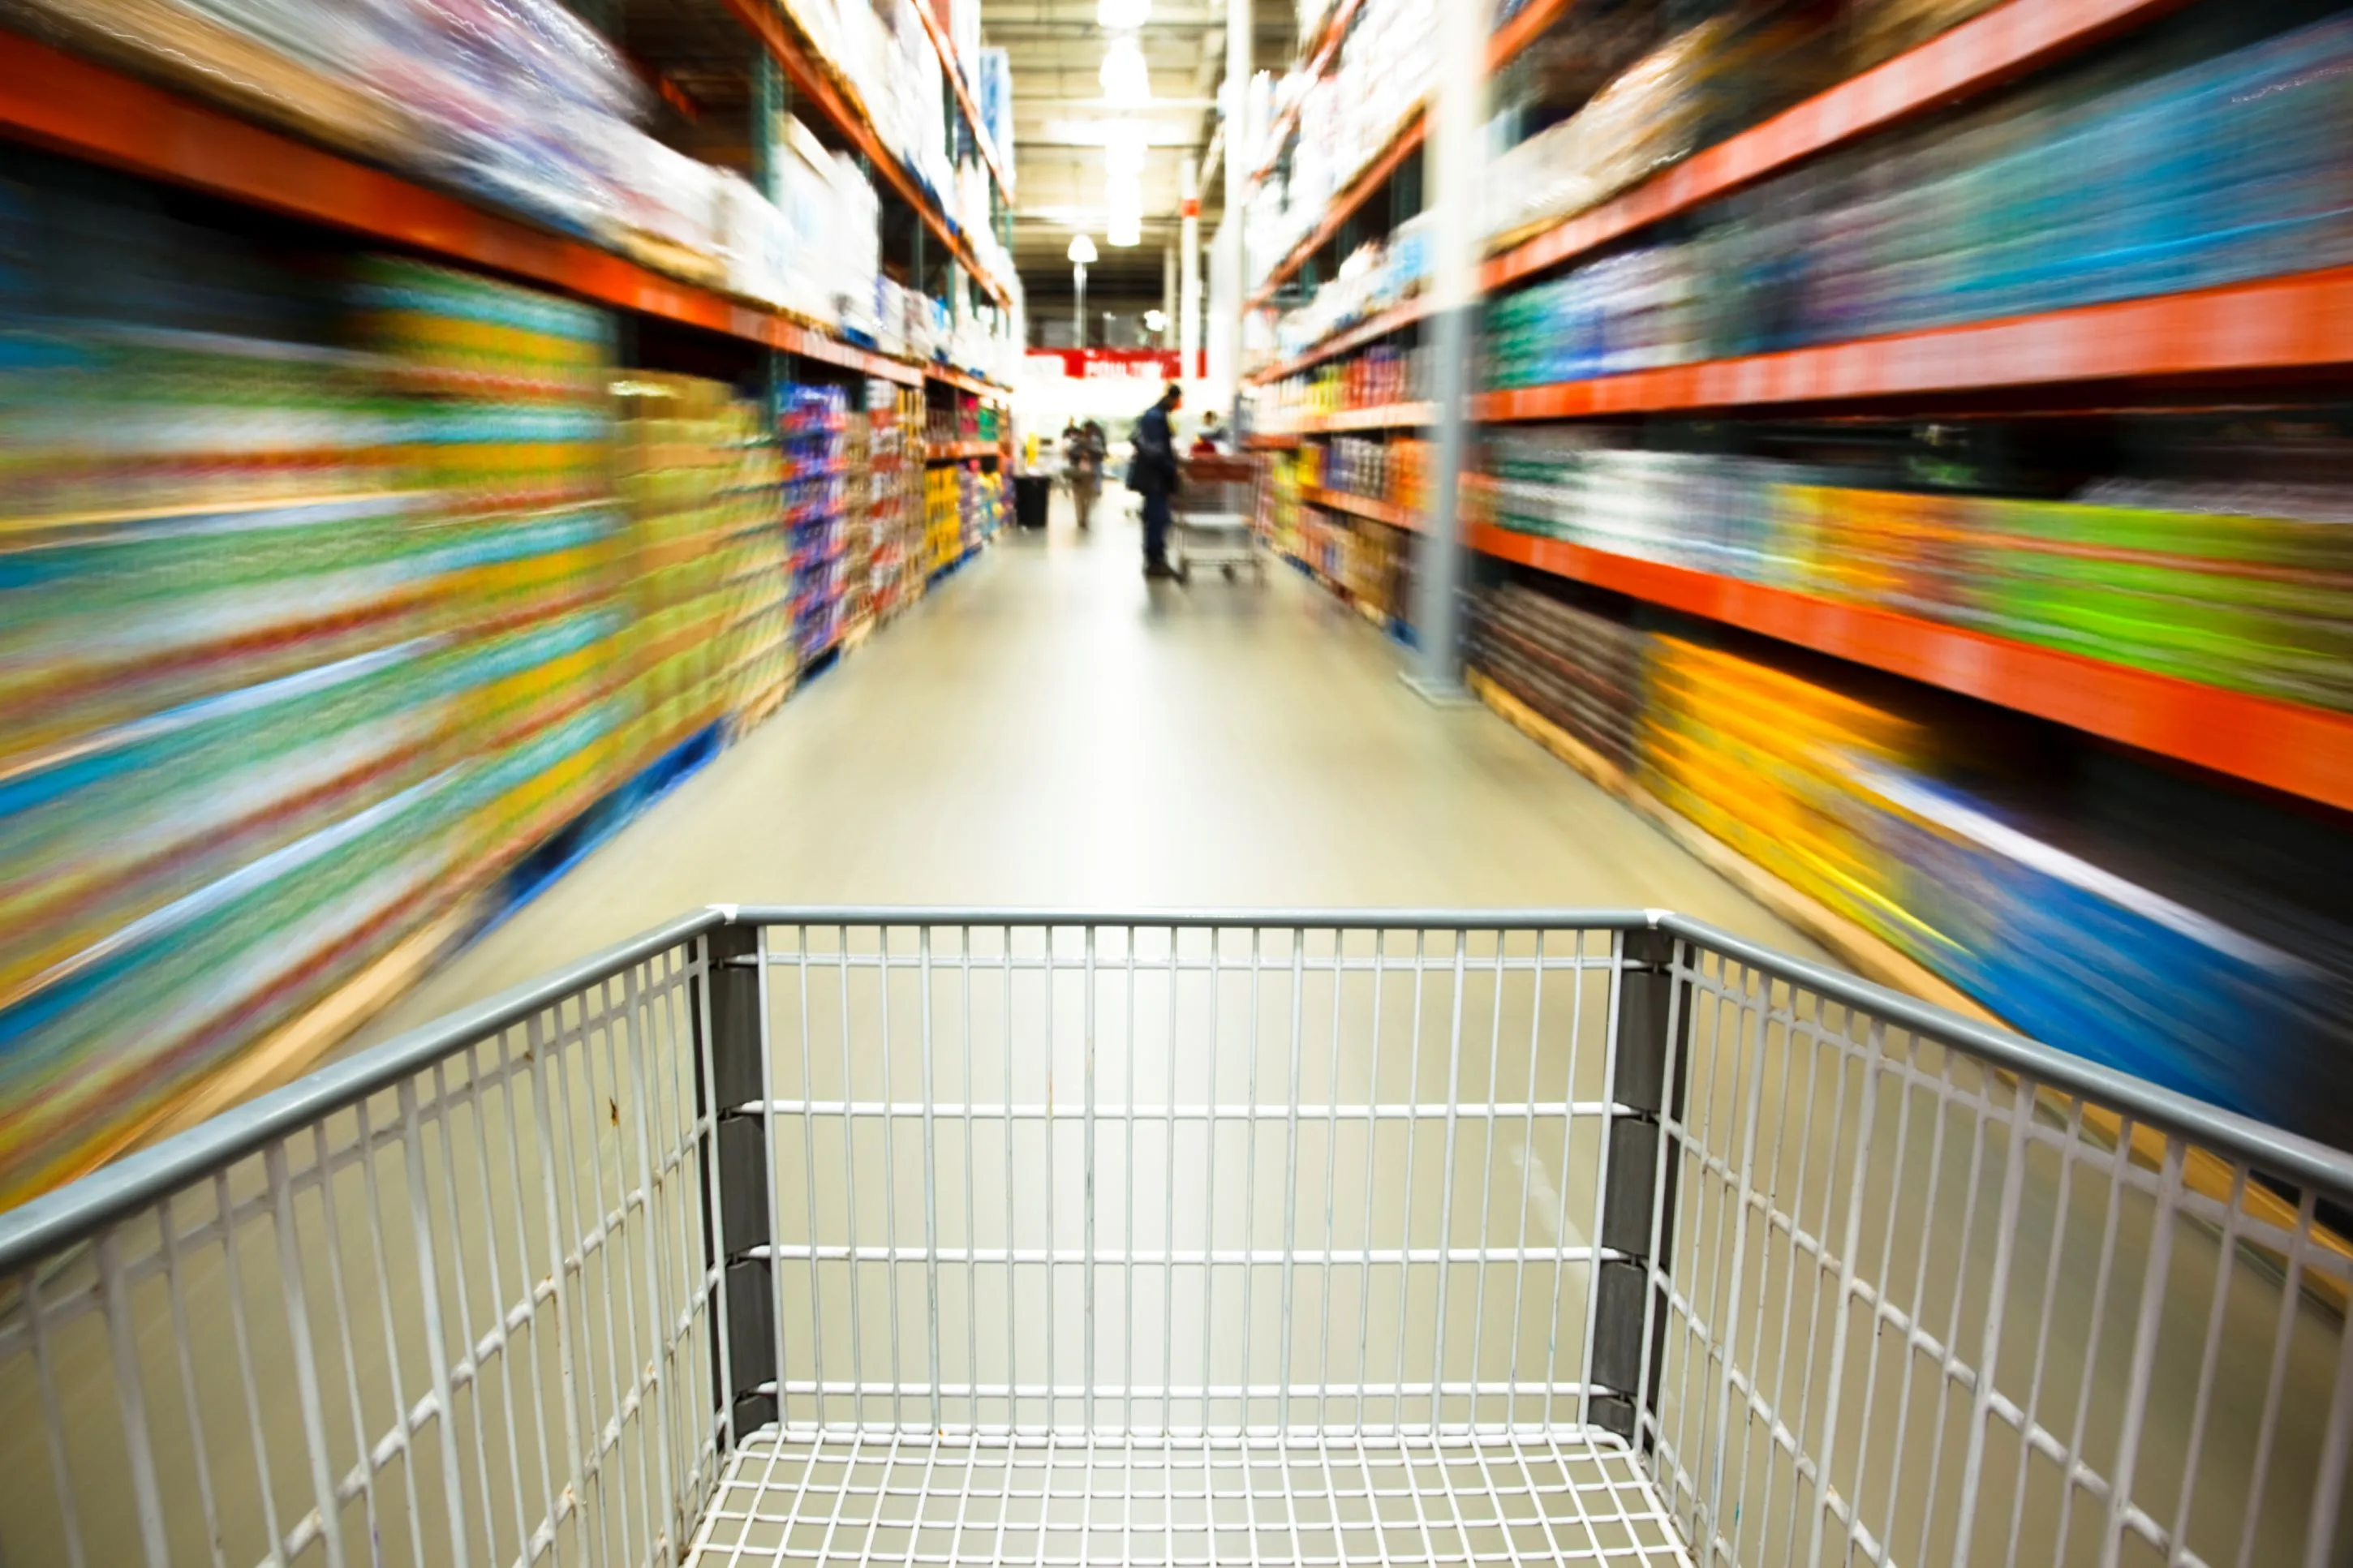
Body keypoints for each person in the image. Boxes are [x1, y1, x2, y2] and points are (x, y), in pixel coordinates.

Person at [1127, 384, 1183, 578]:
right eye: (1177, 402)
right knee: (1157, 518)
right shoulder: (1155, 417)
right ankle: (1155, 561)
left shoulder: (1156, 415)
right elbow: (1155, 451)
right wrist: (1172, 469)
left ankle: (1156, 559)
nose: (1177, 405)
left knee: (1158, 518)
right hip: (1155, 478)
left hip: (1154, 476)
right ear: (1172, 398)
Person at [1063, 419, 1104, 528]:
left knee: (1082, 498)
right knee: (1082, 497)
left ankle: (1083, 518)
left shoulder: (1083, 442)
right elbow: (1100, 455)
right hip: (1085, 473)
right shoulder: (1085, 442)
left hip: (1085, 473)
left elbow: (1070, 453)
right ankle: (1082, 518)